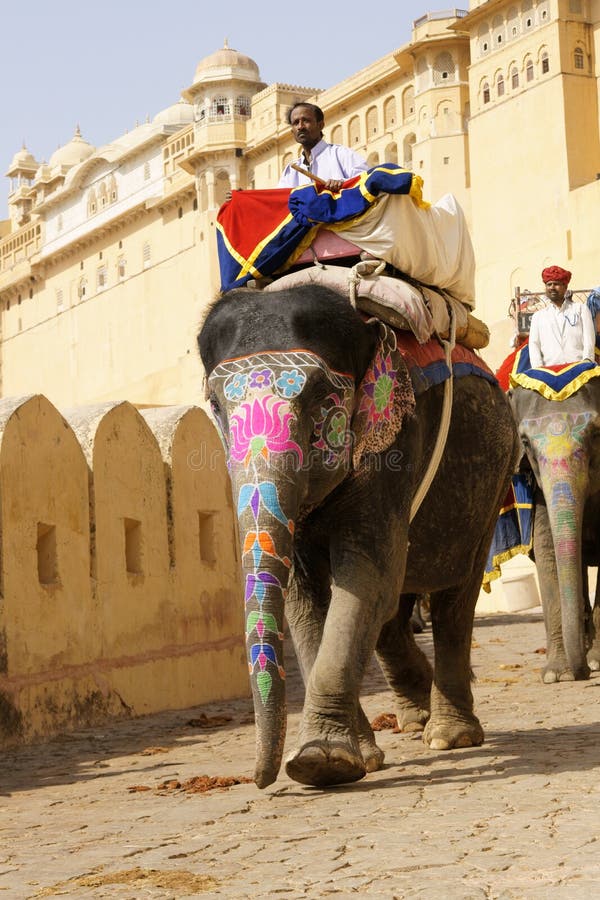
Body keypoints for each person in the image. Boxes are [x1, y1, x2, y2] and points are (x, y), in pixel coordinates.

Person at [278, 102, 368, 193]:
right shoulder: (290, 171)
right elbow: (280, 198)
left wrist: (342, 184)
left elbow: (366, 182)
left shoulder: (342, 154)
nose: (300, 127)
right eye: (296, 123)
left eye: (306, 121)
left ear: (320, 125)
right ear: (292, 131)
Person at [527, 265, 596, 367]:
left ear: (565, 287)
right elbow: (534, 344)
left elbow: (589, 339)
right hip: (550, 370)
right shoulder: (538, 316)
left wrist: (587, 362)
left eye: (556, 284)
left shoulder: (581, 309)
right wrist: (538, 369)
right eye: (549, 284)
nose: (552, 287)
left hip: (578, 368)